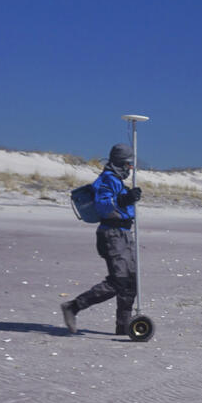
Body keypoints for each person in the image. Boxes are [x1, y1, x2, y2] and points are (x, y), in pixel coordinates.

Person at [61, 143, 143, 335]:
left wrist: (130, 198)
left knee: (131, 282)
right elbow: (103, 206)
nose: (130, 168)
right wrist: (124, 200)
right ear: (120, 163)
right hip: (112, 236)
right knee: (119, 281)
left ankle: (124, 327)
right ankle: (73, 307)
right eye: (128, 164)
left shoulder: (118, 181)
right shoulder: (107, 179)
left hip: (124, 235)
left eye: (132, 164)